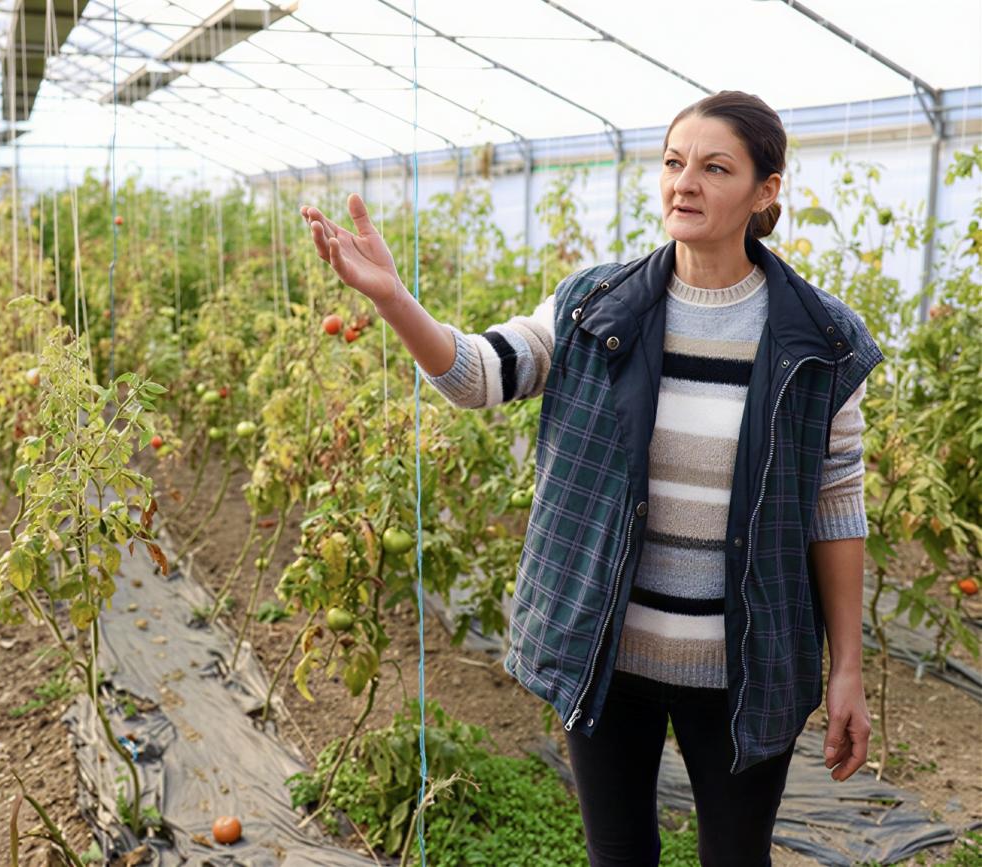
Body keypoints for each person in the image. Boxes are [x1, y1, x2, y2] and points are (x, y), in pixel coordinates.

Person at [300, 89, 884, 867]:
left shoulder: (822, 338)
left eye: (715, 167)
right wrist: (393, 297)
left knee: (738, 858)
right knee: (617, 855)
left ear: (765, 190)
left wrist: (847, 667)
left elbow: (835, 508)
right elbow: (480, 375)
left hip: (745, 662)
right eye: (675, 162)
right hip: (612, 654)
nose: (685, 182)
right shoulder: (595, 306)